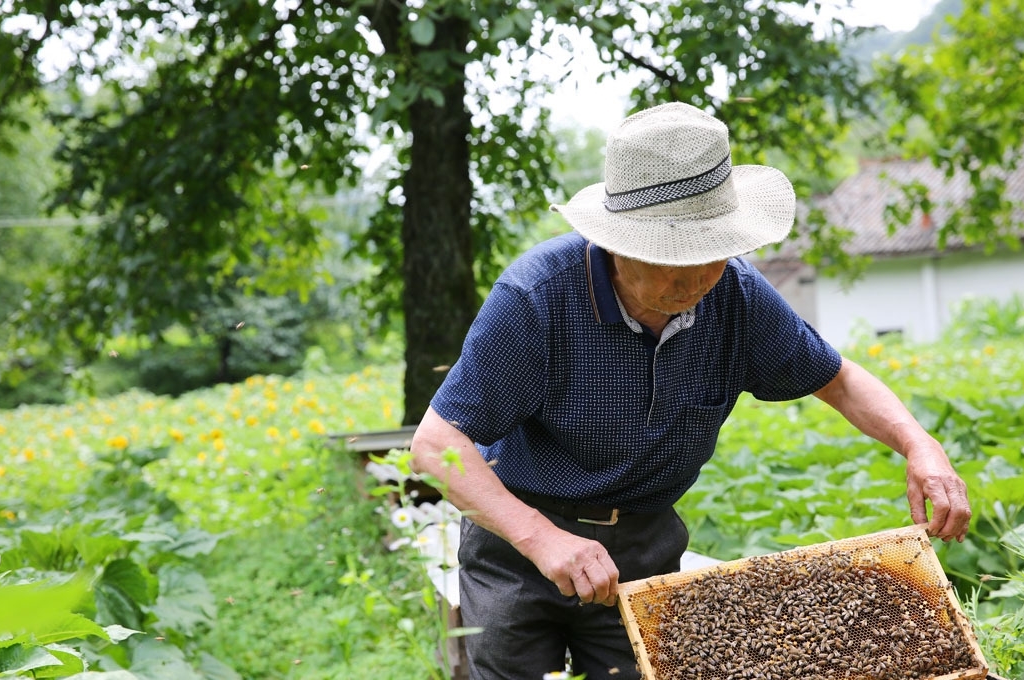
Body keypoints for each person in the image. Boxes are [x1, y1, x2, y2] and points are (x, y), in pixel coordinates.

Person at [409, 102, 971, 680]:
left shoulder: (737, 295)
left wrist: (917, 442)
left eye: (713, 256)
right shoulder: (538, 297)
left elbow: (839, 379)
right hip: (517, 544)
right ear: (615, 245)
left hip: (644, 545)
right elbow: (434, 446)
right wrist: (543, 540)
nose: (699, 279)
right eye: (673, 261)